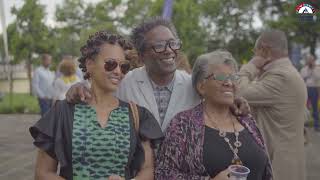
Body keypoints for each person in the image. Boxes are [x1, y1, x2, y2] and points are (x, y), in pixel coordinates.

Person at [66, 17, 250, 132]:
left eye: (173, 43)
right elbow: (97, 96)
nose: (169, 51)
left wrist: (234, 102)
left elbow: (218, 103)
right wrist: (78, 88)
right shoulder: (124, 82)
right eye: (160, 46)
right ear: (142, 54)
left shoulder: (194, 85)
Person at [29, 30, 163, 180]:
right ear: (90, 64)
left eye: (124, 66)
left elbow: (148, 170)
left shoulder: (138, 115)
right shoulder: (62, 112)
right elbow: (42, 173)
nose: (118, 71)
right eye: (110, 64)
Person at [155, 50, 272, 180]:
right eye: (220, 77)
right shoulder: (182, 124)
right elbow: (163, 173)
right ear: (201, 86)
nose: (229, 83)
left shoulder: (247, 121)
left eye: (233, 77)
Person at [237, 29, 307, 180]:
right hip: (286, 161)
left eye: (255, 51)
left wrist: (250, 66)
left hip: (279, 166)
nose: (253, 55)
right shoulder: (287, 72)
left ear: (264, 50)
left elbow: (239, 92)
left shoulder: (281, 76)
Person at [300, 54, 320, 131]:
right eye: (309, 60)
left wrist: (313, 69)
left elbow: (318, 77)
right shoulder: (304, 69)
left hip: (314, 89)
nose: (310, 62)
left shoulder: (317, 69)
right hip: (306, 88)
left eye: (311, 60)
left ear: (313, 61)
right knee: (304, 107)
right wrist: (308, 72)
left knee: (315, 107)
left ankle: (317, 125)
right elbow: (302, 78)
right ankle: (304, 123)